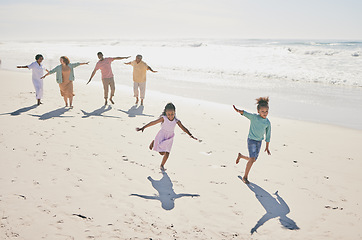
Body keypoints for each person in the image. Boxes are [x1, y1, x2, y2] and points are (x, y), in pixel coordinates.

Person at [136, 103, 197, 171]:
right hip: (162, 135)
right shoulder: (164, 118)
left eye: (172, 114)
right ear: (165, 113)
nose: (170, 116)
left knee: (167, 153)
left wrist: (190, 135)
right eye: (168, 114)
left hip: (170, 137)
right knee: (161, 153)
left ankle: (162, 165)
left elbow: (183, 128)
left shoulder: (176, 121)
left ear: (175, 112)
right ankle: (154, 142)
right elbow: (153, 122)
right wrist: (144, 127)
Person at [234, 97, 272, 184]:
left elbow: (268, 135)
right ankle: (245, 177)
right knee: (252, 159)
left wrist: (267, 147)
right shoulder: (254, 117)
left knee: (253, 159)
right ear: (258, 111)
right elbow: (245, 113)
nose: (265, 113)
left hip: (259, 142)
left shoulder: (267, 122)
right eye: (262, 111)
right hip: (251, 140)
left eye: (266, 111)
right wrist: (238, 111)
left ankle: (241, 156)